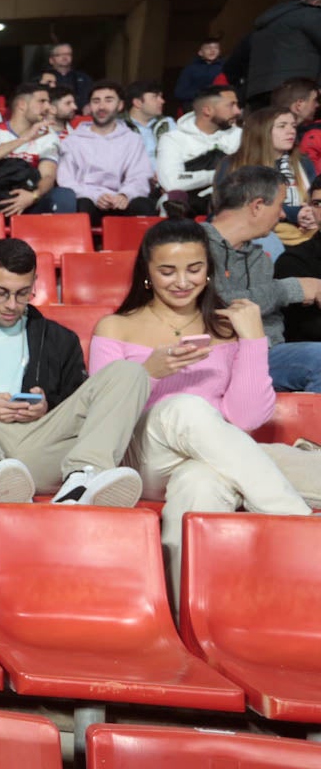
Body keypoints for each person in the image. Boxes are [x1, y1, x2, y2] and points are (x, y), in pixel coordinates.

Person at [89, 218, 320, 591]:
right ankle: (298, 523)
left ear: (209, 271)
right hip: (140, 455)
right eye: (168, 271)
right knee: (184, 408)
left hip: (213, 454)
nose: (183, 282)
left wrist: (253, 340)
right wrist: (149, 372)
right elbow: (101, 417)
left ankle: (195, 616)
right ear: (147, 273)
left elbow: (244, 419)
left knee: (201, 481)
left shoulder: (226, 328)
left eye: (194, 269)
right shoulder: (115, 327)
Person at [0, 237, 148, 504]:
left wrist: (47, 407)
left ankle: (81, 480)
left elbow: (78, 410)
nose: (12, 304)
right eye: (0, 292)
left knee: (129, 372)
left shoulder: (59, 339)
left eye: (22, 293)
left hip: (41, 447)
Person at [203, 165, 321, 393]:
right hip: (216, 353)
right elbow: (212, 305)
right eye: (280, 205)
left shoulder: (258, 256)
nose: (283, 214)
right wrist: (292, 289)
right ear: (257, 206)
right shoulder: (192, 246)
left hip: (267, 354)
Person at [0, 83, 75, 216]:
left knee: (65, 195)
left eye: (48, 102)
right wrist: (24, 139)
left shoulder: (48, 137)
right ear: (22, 104)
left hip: (30, 197)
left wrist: (33, 196)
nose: (48, 107)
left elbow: (48, 176)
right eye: (42, 101)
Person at [58, 79, 156, 226]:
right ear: (90, 106)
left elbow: (140, 176)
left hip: (122, 200)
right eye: (96, 101)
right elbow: (66, 180)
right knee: (81, 205)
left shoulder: (132, 140)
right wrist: (96, 196)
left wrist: (125, 194)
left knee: (144, 205)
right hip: (88, 199)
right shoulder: (73, 141)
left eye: (108, 100)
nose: (101, 107)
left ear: (120, 105)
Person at [214, 106, 318, 240]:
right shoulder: (233, 163)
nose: (291, 131)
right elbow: (229, 206)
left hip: (306, 232)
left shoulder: (303, 161)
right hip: (256, 235)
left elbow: (316, 197)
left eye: (293, 126)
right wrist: (293, 213)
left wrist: (313, 213)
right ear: (261, 131)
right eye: (282, 126)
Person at [222, 0, 321, 108]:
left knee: (265, 127)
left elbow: (231, 67)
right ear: (316, 2)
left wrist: (244, 89)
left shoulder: (262, 29)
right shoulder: (312, 15)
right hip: (298, 93)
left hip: (257, 95)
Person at [158, 86, 243, 214]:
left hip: (231, 203)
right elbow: (172, 182)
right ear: (207, 110)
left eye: (237, 105)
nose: (237, 111)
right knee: (170, 200)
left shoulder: (241, 136)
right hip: (187, 207)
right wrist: (218, 175)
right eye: (231, 105)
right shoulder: (173, 139)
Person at [123, 79, 171, 172]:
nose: (162, 101)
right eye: (155, 97)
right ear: (138, 102)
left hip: (167, 180)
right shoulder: (119, 126)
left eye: (161, 96)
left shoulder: (167, 123)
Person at [45, 42, 93, 111]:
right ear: (51, 60)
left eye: (68, 54)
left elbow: (91, 98)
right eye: (59, 55)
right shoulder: (43, 78)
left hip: (79, 117)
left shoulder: (84, 78)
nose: (64, 57)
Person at [175, 38, 225, 104]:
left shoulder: (225, 67)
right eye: (208, 48)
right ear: (200, 52)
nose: (212, 50)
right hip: (195, 105)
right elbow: (179, 93)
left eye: (216, 48)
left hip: (219, 104)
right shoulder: (190, 69)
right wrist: (203, 94)